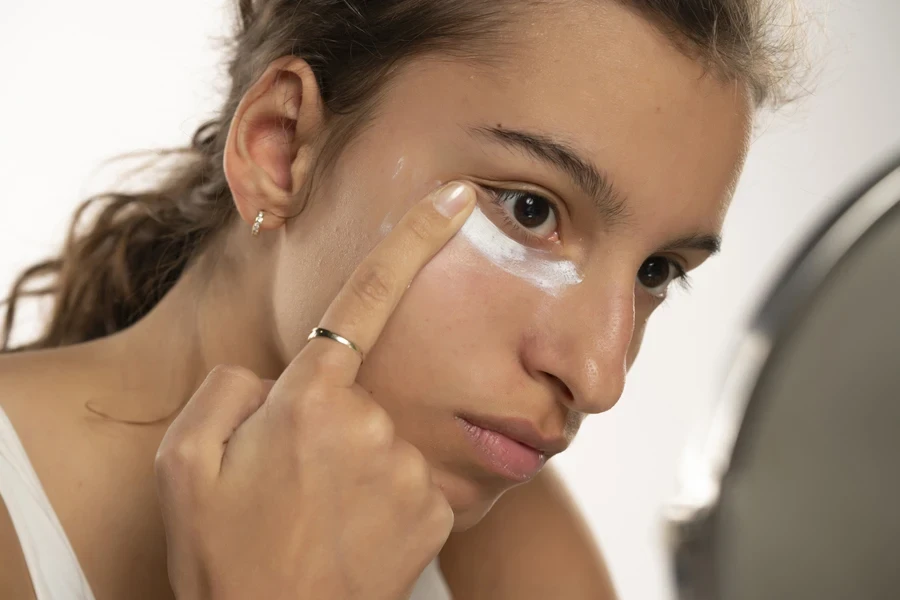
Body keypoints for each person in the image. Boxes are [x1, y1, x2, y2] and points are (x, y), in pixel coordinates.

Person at [0, 0, 800, 598]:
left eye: (656, 270)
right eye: (530, 210)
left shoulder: (511, 546)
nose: (599, 378)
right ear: (282, 149)